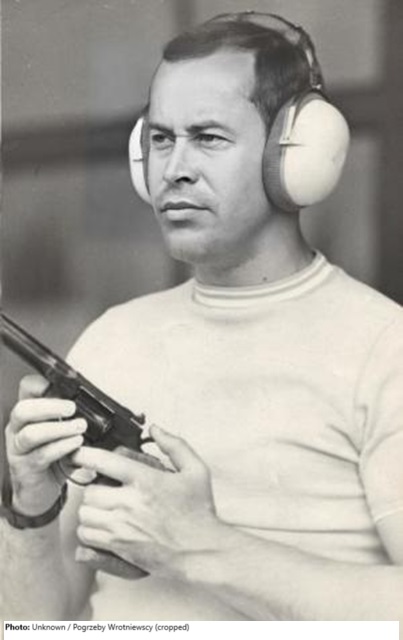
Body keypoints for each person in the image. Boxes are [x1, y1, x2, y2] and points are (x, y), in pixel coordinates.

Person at [2, 12, 403, 623]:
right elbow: (35, 627)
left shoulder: (384, 348)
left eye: (209, 137)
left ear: (296, 153)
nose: (174, 169)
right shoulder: (110, 338)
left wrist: (199, 546)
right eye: (161, 139)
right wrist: (31, 507)